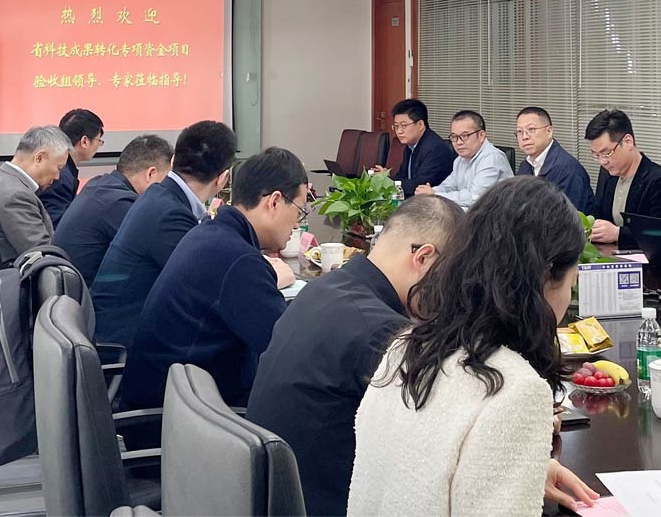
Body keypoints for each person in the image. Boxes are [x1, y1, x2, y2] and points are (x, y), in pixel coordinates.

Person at [348, 177, 599, 515]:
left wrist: (520, 470)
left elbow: (419, 467)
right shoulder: (517, 390)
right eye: (571, 283)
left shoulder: (405, 346)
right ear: (545, 277)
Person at [247, 195, 464, 516]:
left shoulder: (323, 288)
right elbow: (429, 446)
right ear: (423, 257)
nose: (451, 292)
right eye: (453, 275)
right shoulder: (382, 331)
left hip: (272, 494)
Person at [118, 147, 309, 410]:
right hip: (177, 418)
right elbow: (288, 354)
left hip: (172, 401)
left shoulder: (210, 234)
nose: (297, 223)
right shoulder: (239, 260)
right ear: (274, 202)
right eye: (299, 210)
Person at [91, 120, 235, 348]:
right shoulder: (171, 214)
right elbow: (209, 286)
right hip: (125, 342)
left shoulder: (159, 195)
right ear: (223, 178)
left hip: (115, 325)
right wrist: (272, 276)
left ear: (173, 160)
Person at [52, 134, 173, 285]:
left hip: (67, 287)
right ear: (151, 174)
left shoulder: (99, 184)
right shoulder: (121, 203)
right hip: (86, 294)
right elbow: (164, 252)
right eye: (166, 179)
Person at [584, 109, 661, 247]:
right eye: (596, 155)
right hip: (611, 255)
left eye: (607, 153)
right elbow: (598, 215)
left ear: (628, 142)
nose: (602, 162)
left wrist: (618, 234)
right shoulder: (608, 175)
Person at [0, 125, 70, 263]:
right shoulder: (16, 196)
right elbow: (44, 255)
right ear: (39, 158)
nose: (57, 177)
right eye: (59, 168)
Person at [415, 110, 512, 210]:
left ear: (481, 135)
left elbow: (475, 197)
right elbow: (448, 186)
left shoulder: (492, 158)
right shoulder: (460, 160)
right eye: (454, 137)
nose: (459, 142)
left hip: (497, 216)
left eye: (465, 136)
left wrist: (436, 195)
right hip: (473, 213)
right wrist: (430, 191)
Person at [515, 106, 594, 214]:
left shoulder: (567, 169)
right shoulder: (525, 166)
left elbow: (565, 217)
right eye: (519, 131)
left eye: (531, 129)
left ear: (549, 131)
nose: (524, 137)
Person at [372, 99, 457, 197]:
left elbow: (418, 185)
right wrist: (386, 176)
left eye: (403, 125)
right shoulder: (411, 144)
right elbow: (402, 177)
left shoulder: (435, 149)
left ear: (420, 125)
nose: (399, 131)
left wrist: (387, 181)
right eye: (396, 126)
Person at [39, 109, 104, 228]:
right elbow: (56, 224)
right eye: (99, 140)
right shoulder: (60, 175)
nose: (99, 145)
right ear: (84, 141)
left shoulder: (65, 170)